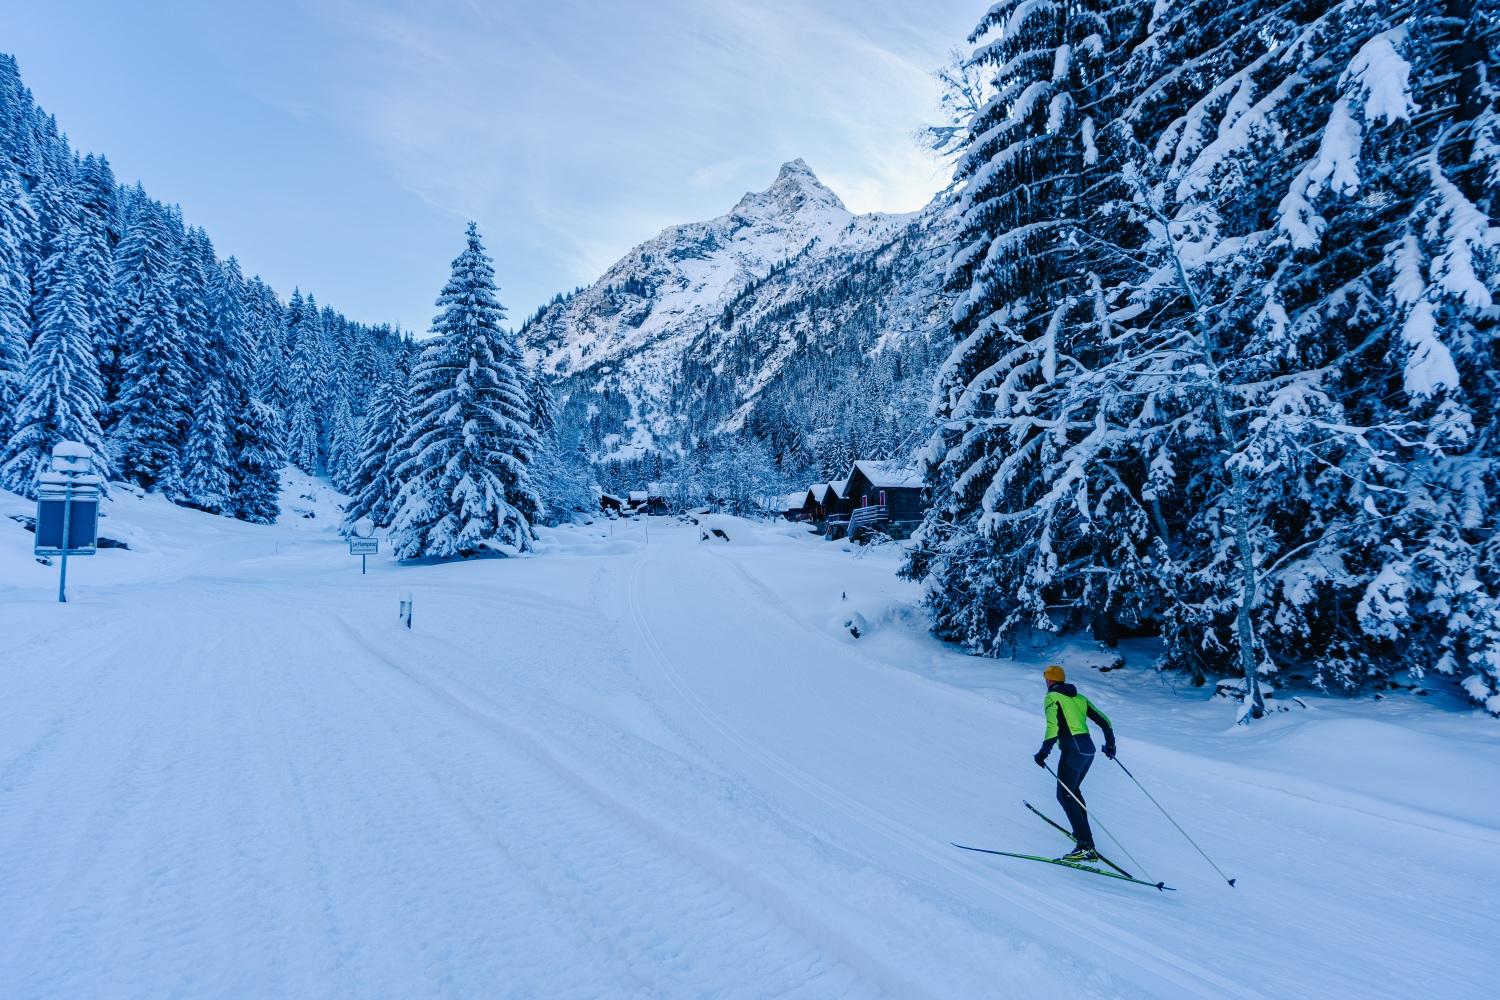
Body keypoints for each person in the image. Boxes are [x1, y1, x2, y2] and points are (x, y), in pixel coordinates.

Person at [1033, 665, 1115, 863]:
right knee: (1073, 793)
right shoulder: (1079, 698)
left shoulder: (1052, 697)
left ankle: (1086, 846)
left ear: (1051, 681)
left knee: (1064, 795)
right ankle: (1082, 835)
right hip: (1089, 751)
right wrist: (1110, 745)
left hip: (1073, 750)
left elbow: (1053, 727)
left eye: (1046, 679)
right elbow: (1105, 721)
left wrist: (1043, 752)